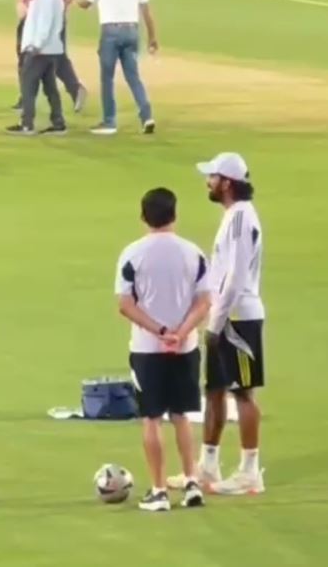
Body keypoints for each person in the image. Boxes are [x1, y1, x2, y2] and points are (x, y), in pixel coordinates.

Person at [113, 188, 211, 513]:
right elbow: (204, 301)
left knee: (151, 418)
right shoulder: (193, 253)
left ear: (143, 216)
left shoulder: (132, 254)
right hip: (186, 348)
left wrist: (161, 332)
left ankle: (158, 491)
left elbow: (125, 305)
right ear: (175, 214)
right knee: (181, 415)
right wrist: (181, 332)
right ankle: (192, 482)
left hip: (148, 349)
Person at [187, 153, 267, 495]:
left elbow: (234, 278)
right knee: (215, 390)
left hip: (237, 318)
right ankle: (208, 466)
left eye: (212, 177)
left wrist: (215, 323)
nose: (208, 182)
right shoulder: (235, 216)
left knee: (243, 393)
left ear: (227, 183)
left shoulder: (239, 219)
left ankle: (250, 472)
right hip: (227, 316)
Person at [78, 0, 157, 135]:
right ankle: (147, 116)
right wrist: (153, 37)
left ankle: (109, 121)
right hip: (132, 30)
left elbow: (85, 3)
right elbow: (146, 11)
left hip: (110, 32)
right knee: (133, 76)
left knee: (107, 77)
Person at [14, 0, 85, 113]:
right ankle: (75, 90)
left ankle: (26, 102)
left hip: (34, 24)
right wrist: (63, 5)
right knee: (58, 58)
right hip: (58, 21)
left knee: (27, 61)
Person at [7, 0, 67, 135]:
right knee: (50, 87)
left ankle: (27, 123)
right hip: (50, 48)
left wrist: (36, 45)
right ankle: (58, 122)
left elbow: (45, 22)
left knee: (28, 84)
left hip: (41, 49)